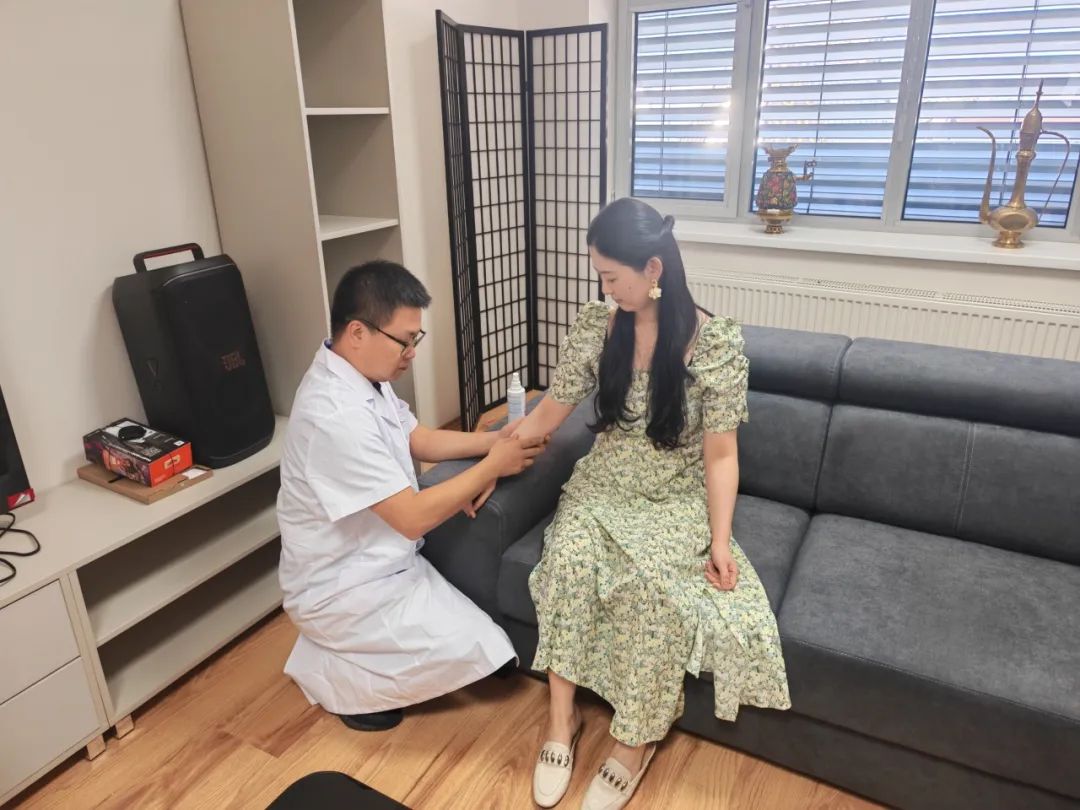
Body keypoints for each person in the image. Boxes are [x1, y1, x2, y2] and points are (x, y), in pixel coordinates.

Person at [515, 199, 791, 809]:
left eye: (612, 276)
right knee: (567, 565)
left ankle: (632, 744)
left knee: (658, 596)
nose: (605, 289)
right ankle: (560, 720)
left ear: (654, 269)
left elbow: (721, 455)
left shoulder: (712, 342)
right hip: (603, 486)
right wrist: (491, 463)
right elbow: (551, 410)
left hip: (671, 498)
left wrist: (719, 541)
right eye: (600, 276)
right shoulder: (600, 325)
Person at [277, 260, 545, 732]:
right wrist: (492, 465)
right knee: (471, 656)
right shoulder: (333, 413)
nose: (412, 353)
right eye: (405, 340)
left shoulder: (364, 378)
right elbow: (412, 517)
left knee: (495, 655)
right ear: (357, 332)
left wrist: (494, 440)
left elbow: (418, 439)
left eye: (415, 339)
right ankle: (334, 674)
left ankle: (346, 652)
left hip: (387, 564)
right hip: (341, 587)